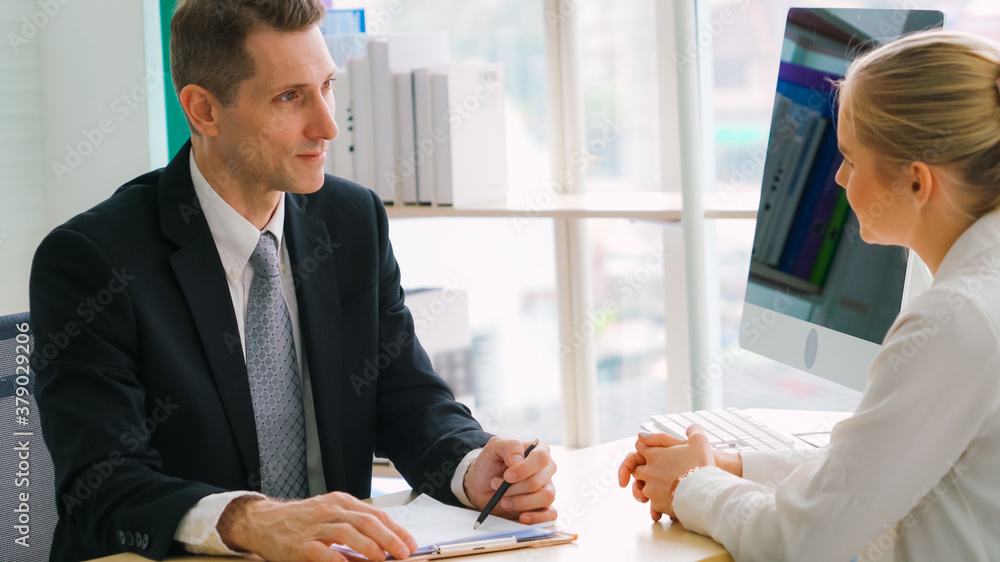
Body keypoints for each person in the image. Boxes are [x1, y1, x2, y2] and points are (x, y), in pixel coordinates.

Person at [29, 1, 557, 561]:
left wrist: (472, 467)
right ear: (204, 110)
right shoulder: (93, 260)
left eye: (327, 85)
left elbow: (405, 399)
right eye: (290, 97)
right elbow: (104, 487)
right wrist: (252, 522)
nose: (327, 124)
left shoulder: (351, 221)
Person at [618, 30, 1000, 561]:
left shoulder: (954, 320)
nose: (841, 176)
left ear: (916, 182)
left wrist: (693, 484)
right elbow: (872, 469)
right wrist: (732, 466)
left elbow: (803, 541)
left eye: (849, 156)